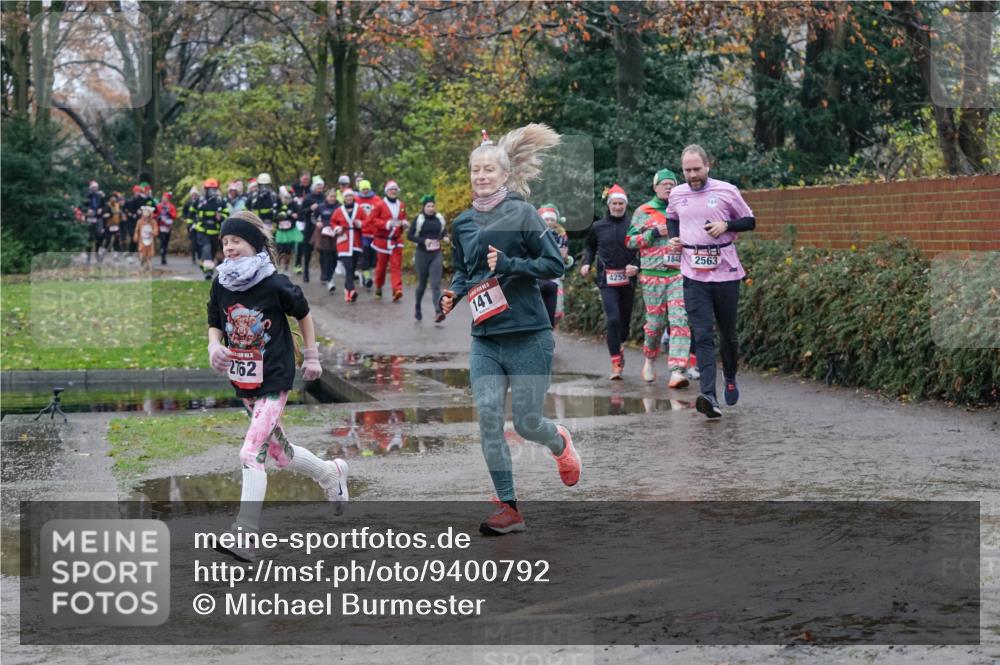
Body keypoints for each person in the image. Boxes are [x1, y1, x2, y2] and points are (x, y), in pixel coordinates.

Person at [439, 125, 581, 535]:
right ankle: (509, 507)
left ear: (504, 175)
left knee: (526, 423)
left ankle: (559, 443)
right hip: (486, 339)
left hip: (529, 335)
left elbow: (556, 265)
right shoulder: (463, 223)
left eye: (488, 170)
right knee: (486, 416)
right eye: (475, 170)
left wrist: (513, 266)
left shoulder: (523, 213)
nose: (481, 176)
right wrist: (454, 294)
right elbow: (467, 272)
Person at [207, 210, 349, 562]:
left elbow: (303, 313)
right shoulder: (222, 281)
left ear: (252, 244)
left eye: (236, 240)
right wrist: (213, 345)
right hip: (244, 378)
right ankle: (331, 474)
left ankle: (245, 535)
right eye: (225, 242)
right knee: (278, 454)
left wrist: (312, 356)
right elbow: (214, 319)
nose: (229, 247)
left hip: (274, 376)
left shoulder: (273, 282)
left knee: (250, 452)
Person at [666, 144, 756, 418]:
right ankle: (708, 396)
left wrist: (726, 226)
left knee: (727, 334)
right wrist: (673, 237)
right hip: (693, 273)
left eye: (696, 169)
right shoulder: (677, 194)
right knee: (703, 334)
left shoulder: (726, 191)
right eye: (687, 170)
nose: (692, 175)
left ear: (708, 166)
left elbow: (750, 221)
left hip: (726, 271)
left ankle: (730, 376)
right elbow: (671, 216)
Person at [626, 168, 693, 389]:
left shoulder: (683, 209)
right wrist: (653, 233)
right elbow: (630, 242)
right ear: (655, 187)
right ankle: (649, 359)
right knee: (654, 325)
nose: (668, 186)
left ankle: (677, 370)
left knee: (679, 320)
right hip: (652, 276)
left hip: (677, 273)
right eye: (663, 183)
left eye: (671, 183)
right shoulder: (643, 211)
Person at [580, 184, 639, 380]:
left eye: (621, 203)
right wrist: (586, 263)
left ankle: (620, 343)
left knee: (624, 321)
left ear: (625, 205)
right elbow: (589, 247)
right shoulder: (598, 227)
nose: (617, 207)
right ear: (609, 205)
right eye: (614, 203)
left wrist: (636, 265)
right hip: (606, 279)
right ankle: (615, 362)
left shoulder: (633, 225)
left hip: (628, 279)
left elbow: (643, 249)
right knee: (612, 318)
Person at [407, 194, 448, 322]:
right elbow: (410, 236)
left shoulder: (439, 219)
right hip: (422, 254)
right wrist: (424, 241)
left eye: (433, 206)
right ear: (424, 207)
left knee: (435, 284)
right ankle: (418, 307)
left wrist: (446, 236)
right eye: (428, 206)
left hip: (436, 254)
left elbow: (443, 231)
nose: (431, 208)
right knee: (422, 284)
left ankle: (438, 311)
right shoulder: (418, 219)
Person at [372, 180, 409, 301]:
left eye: (395, 190)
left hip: (396, 240)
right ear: (386, 191)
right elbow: (373, 220)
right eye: (390, 190)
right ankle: (378, 286)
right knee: (381, 267)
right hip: (382, 241)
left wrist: (404, 223)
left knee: (396, 266)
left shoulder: (401, 205)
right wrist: (386, 224)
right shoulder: (380, 205)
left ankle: (397, 290)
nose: (393, 192)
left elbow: (403, 218)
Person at [536, 204, 571, 327]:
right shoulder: (534, 234)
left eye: (552, 219)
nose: (549, 222)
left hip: (554, 279)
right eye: (546, 219)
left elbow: (566, 258)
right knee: (538, 312)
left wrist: (565, 258)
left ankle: (548, 335)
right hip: (537, 278)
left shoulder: (561, 235)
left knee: (555, 312)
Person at [329, 188, 367, 302]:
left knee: (352, 267)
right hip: (344, 242)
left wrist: (361, 223)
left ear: (353, 197)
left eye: (350, 196)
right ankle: (352, 290)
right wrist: (337, 228)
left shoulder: (359, 209)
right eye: (347, 196)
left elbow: (367, 221)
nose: (349, 198)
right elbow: (333, 222)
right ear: (344, 198)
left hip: (356, 242)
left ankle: (347, 292)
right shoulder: (339, 210)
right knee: (348, 267)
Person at [310, 188, 342, 292]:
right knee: (326, 255)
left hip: (336, 234)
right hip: (324, 233)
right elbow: (313, 217)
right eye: (330, 196)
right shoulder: (321, 206)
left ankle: (329, 274)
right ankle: (329, 278)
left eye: (334, 196)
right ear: (326, 197)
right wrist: (317, 223)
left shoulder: (339, 207)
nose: (332, 198)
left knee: (334, 257)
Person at [295, 176, 325, 281]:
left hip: (321, 227)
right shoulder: (308, 198)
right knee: (307, 250)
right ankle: (306, 272)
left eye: (321, 186)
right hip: (309, 227)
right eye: (318, 186)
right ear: (314, 187)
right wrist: (310, 209)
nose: (319, 188)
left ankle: (323, 274)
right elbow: (301, 212)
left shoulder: (324, 198)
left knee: (322, 250)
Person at [195, 178, 226, 280]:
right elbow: (191, 213)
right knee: (206, 248)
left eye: (214, 189)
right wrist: (191, 225)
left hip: (215, 231)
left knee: (212, 252)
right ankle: (208, 272)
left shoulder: (220, 201)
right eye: (210, 189)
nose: (212, 191)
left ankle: (205, 266)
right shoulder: (200, 201)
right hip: (202, 230)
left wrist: (220, 217)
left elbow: (227, 214)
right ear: (205, 189)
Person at [355, 179, 381, 289]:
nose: (365, 191)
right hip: (362, 232)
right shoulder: (356, 199)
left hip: (375, 233)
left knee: (374, 257)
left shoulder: (376, 199)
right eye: (363, 189)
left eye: (366, 189)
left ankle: (368, 273)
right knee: (365, 253)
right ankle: (367, 277)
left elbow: (382, 212)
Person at [274, 186, 303, 274]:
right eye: (283, 195)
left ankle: (286, 268)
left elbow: (299, 214)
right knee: (279, 249)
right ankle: (279, 267)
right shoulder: (278, 202)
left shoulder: (294, 204)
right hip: (281, 231)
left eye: (287, 196)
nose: (285, 198)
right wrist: (281, 215)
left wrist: (295, 215)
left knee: (288, 250)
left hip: (291, 230)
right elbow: (275, 216)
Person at [82, 180, 108, 263]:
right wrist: (87, 210)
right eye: (93, 187)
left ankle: (97, 255)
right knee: (89, 237)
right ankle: (88, 257)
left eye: (96, 187)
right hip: (89, 218)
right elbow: (82, 206)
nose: (95, 189)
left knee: (99, 237)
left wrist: (102, 209)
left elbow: (105, 206)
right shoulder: (86, 196)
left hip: (98, 218)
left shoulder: (101, 196)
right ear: (90, 188)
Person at [155, 192, 176, 266]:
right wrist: (158, 217)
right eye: (163, 198)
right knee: (162, 241)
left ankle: (164, 253)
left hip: (168, 226)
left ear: (168, 199)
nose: (164, 199)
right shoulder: (158, 206)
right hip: (161, 226)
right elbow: (154, 214)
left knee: (166, 242)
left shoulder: (171, 206)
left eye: (165, 198)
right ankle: (162, 256)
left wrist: (169, 214)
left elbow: (174, 216)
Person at [134, 205, 157, 270]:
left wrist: (152, 232)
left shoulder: (153, 222)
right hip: (142, 239)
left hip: (150, 240)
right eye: (144, 213)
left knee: (149, 254)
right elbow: (137, 229)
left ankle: (149, 266)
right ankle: (142, 264)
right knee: (142, 252)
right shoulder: (140, 221)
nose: (145, 215)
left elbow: (155, 230)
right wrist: (136, 235)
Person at [182, 187, 201, 265]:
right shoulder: (188, 203)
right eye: (192, 194)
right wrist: (186, 219)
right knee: (193, 242)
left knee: (199, 242)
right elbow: (184, 213)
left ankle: (200, 257)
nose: (194, 196)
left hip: (199, 224)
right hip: (191, 225)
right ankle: (193, 258)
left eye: (195, 194)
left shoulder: (200, 202)